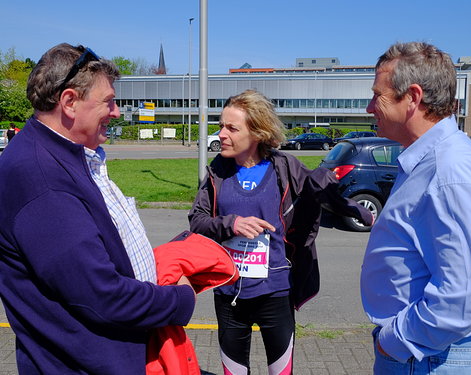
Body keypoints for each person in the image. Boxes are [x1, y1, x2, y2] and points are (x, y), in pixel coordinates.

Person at [0, 43, 196, 374]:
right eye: (108, 101)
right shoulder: (41, 180)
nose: (117, 111)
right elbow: (100, 296)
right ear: (69, 102)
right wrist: (179, 301)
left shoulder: (63, 154)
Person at [189, 89, 373, 374]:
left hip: (275, 291)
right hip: (229, 291)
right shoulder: (218, 171)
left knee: (281, 371)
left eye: (231, 127)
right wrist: (232, 224)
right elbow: (197, 220)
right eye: (221, 125)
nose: (221, 134)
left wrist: (357, 211)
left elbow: (318, 189)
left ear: (257, 132)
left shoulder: (283, 166)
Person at [360, 41, 471, 374]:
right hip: (422, 352)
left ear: (412, 98)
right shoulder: (429, 161)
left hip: (426, 356)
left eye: (377, 96)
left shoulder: (450, 171)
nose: (370, 108)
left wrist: (394, 341)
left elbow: (462, 298)